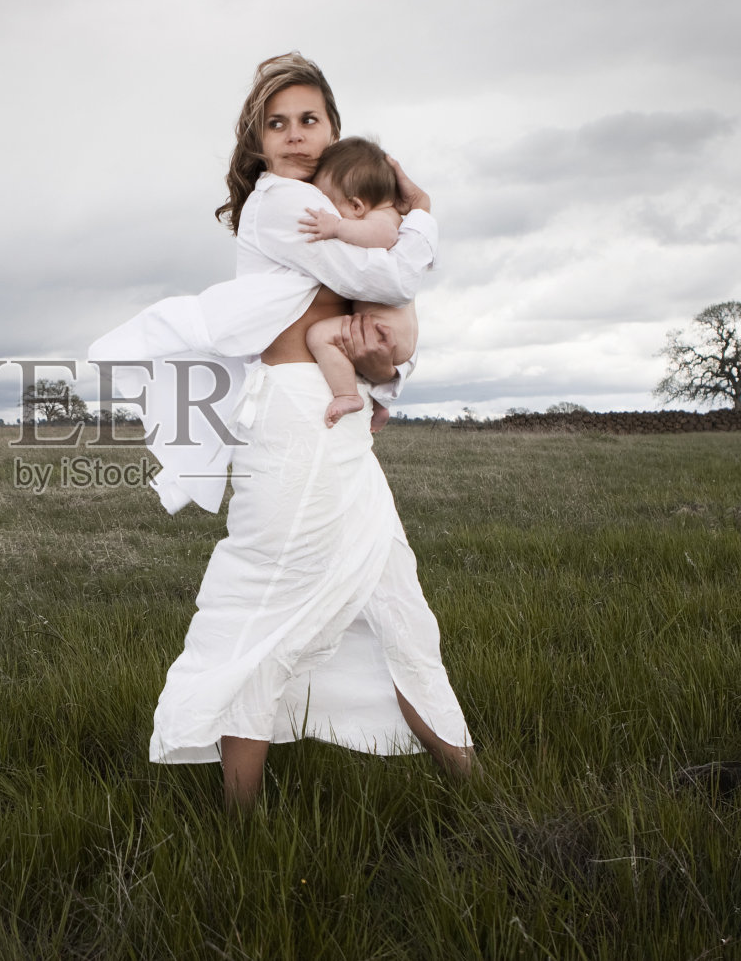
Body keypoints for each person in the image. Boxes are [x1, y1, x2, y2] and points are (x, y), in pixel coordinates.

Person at [88, 52, 476, 811]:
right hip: (296, 421)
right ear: (258, 143)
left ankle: (473, 786)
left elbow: (367, 326)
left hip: (339, 424)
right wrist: (423, 213)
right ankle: (241, 820)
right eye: (277, 123)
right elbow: (391, 278)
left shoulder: (334, 209)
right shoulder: (280, 205)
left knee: (397, 601)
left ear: (333, 130)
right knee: (267, 604)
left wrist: (381, 374)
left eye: (309, 119)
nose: (295, 135)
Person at [298, 137, 421, 428]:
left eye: (331, 205)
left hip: (385, 332)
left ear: (356, 205)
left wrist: (337, 227)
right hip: (393, 333)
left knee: (319, 336)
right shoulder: (383, 213)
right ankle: (380, 406)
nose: (329, 213)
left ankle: (347, 395)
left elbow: (385, 236)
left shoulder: (383, 217)